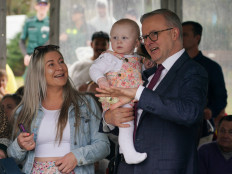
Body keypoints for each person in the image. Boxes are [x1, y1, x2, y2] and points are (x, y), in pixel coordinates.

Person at [96, 9, 208, 174]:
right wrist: (109, 119)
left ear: (174, 33)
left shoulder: (192, 71)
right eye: (144, 37)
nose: (148, 42)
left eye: (154, 34)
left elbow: (189, 113)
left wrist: (138, 93)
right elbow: (135, 125)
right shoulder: (144, 73)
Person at [7, 45, 110, 173]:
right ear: (39, 72)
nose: (60, 67)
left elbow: (103, 146)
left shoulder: (86, 104)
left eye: (61, 61)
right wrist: (19, 145)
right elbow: (12, 158)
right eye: (51, 64)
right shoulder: (24, 111)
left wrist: (76, 157)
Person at [90, 18, 147, 164]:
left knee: (136, 118)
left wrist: (148, 63)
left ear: (136, 43)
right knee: (126, 121)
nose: (119, 41)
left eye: (124, 38)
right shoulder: (109, 57)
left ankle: (124, 147)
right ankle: (128, 153)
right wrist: (100, 79)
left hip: (131, 96)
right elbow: (94, 69)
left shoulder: (137, 58)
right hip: (116, 97)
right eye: (114, 38)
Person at [182, 21, 227, 146]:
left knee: (200, 164)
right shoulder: (172, 66)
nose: (180, 38)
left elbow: (221, 98)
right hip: (175, 128)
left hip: (202, 130)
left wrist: (211, 110)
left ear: (197, 38)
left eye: (184, 34)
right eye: (179, 34)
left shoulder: (212, 67)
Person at [19, 0, 50, 80]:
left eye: (45, 4)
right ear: (36, 6)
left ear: (48, 6)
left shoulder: (51, 23)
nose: (42, 6)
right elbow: (22, 41)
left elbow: (51, 40)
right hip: (30, 59)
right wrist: (25, 55)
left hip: (44, 58)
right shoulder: (29, 22)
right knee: (27, 83)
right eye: (40, 4)